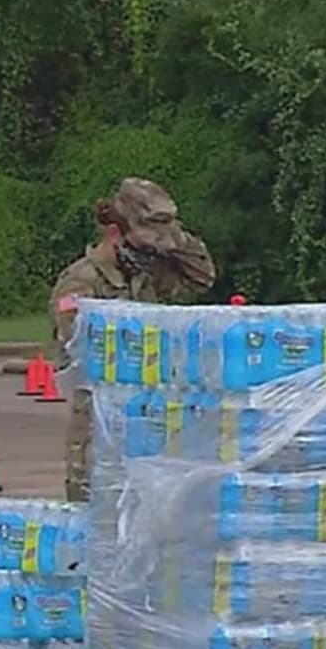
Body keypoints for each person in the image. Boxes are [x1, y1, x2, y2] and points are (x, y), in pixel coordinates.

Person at [48, 178, 216, 502]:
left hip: (151, 420)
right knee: (97, 516)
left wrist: (172, 235)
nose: (152, 255)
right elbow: (79, 351)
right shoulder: (80, 283)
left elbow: (203, 276)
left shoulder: (145, 271)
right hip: (100, 427)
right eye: (143, 246)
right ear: (114, 234)